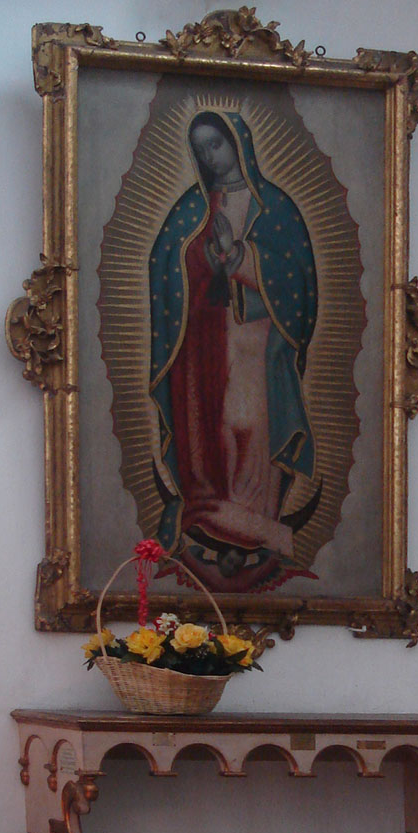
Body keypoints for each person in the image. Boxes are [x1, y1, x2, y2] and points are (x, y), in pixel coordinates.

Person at [148, 109, 318, 589]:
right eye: (200, 149)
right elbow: (165, 267)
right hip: (203, 342)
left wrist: (240, 257)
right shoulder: (191, 209)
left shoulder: (275, 207)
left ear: (238, 142)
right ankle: (214, 514)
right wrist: (203, 258)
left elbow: (298, 284)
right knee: (213, 426)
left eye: (216, 144)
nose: (210, 157)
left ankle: (253, 520)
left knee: (251, 425)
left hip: (258, 340)